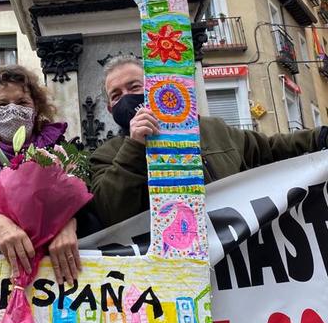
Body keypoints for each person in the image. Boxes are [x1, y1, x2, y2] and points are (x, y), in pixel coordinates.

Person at [91, 56, 328, 227]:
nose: (127, 97)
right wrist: (134, 147)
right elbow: (112, 213)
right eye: (116, 95)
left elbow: (271, 149)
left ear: (155, 88)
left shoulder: (213, 129)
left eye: (134, 87)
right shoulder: (106, 156)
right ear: (111, 109)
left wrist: (320, 136)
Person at [0, 65, 101, 285]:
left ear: (36, 110)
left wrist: (72, 222)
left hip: (60, 283)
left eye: (22, 103)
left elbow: (95, 212)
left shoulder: (64, 156)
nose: (12, 110)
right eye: (2, 104)